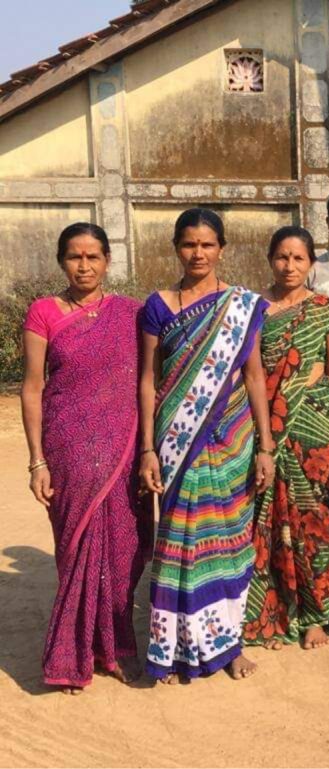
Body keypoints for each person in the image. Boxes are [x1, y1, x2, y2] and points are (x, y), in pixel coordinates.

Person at [138, 208, 275, 683]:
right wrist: (148, 448)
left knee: (230, 540)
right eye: (189, 244)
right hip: (177, 440)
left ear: (222, 248)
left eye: (207, 245)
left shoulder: (241, 305)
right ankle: (174, 649)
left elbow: (254, 376)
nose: (198, 253)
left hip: (232, 438)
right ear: (176, 247)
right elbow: (148, 379)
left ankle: (229, 645)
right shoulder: (157, 306)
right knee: (180, 544)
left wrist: (265, 446)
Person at [20, 223, 149, 695]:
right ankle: (73, 653)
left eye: (93, 256)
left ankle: (117, 647)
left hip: (122, 449)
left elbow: (151, 378)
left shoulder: (131, 314)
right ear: (62, 261)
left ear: (108, 261)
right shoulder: (43, 312)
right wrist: (37, 461)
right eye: (75, 256)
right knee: (75, 550)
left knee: (123, 550)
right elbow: (32, 388)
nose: (84, 265)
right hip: (67, 448)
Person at [243, 226, 329, 652]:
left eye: (299, 258)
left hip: (315, 430)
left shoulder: (326, 310)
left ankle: (316, 617)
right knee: (267, 521)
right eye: (282, 257)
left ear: (311, 264)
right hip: (266, 427)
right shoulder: (252, 309)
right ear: (270, 259)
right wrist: (266, 436)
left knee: (317, 523)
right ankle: (276, 612)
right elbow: (249, 374)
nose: (290, 266)